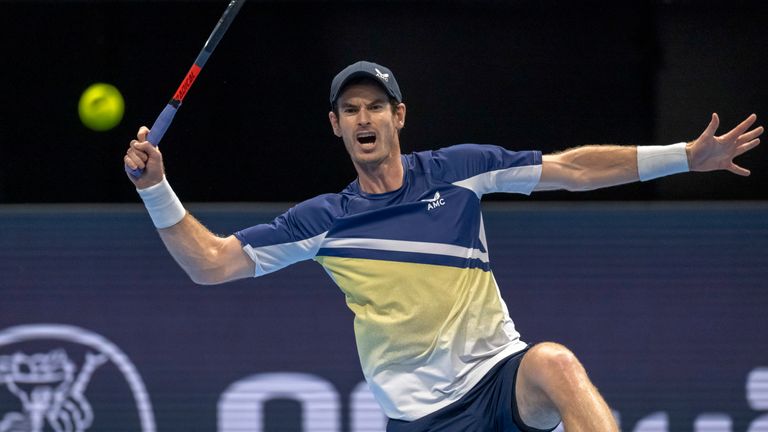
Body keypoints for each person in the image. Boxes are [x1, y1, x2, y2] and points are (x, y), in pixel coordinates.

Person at [123, 61, 762, 431]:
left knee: (555, 363)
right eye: (351, 109)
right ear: (336, 126)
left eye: (376, 106)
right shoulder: (325, 220)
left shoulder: (457, 171)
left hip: (497, 379)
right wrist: (156, 188)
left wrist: (683, 156)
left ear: (399, 117)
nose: (365, 118)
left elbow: (574, 168)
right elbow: (211, 264)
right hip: (422, 419)